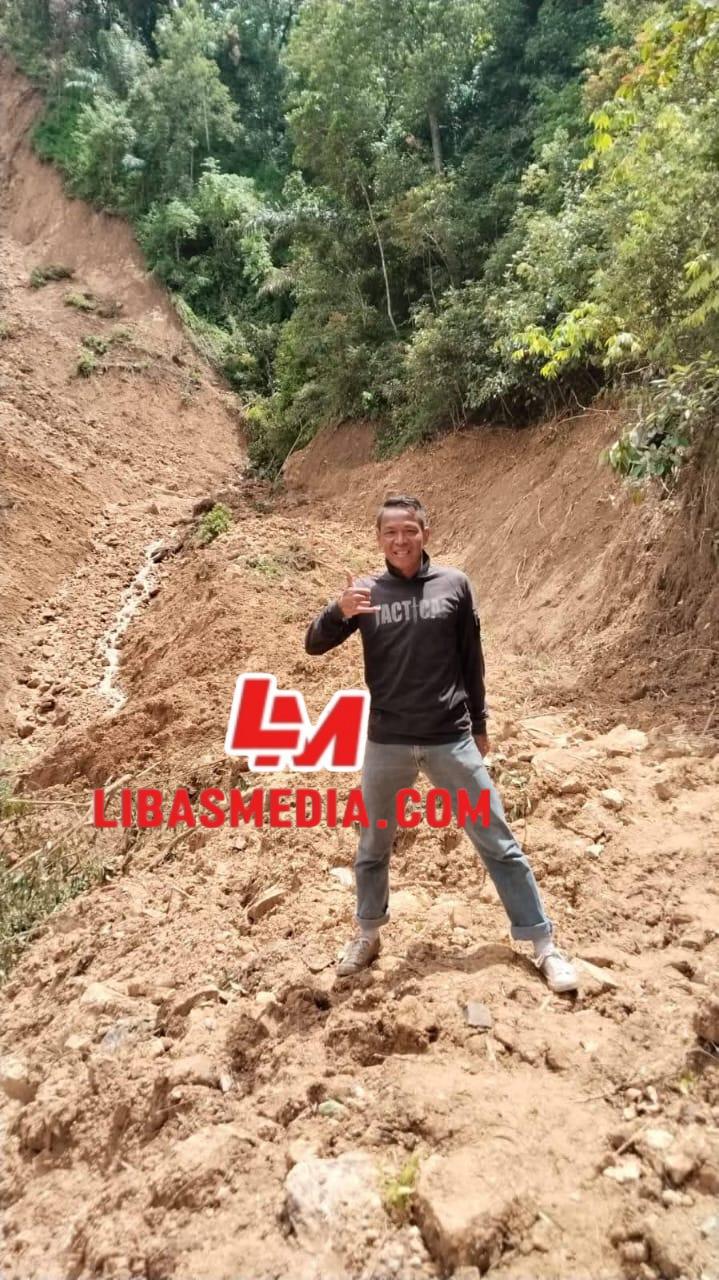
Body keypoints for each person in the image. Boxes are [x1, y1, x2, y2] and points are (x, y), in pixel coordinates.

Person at [304, 495, 578, 994]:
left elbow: (472, 659)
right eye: (391, 533)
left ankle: (543, 944)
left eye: (409, 531)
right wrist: (337, 611)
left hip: (450, 738)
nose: (401, 540)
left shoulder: (455, 584)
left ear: (425, 534)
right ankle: (367, 935)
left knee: (497, 841)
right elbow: (313, 645)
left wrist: (480, 724)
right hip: (387, 741)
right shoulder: (365, 592)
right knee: (373, 845)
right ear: (379, 539)